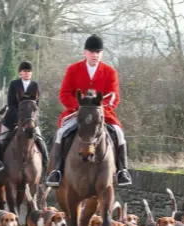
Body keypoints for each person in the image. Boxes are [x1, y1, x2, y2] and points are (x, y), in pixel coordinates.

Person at [45, 34, 131, 187]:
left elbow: (114, 96)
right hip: (77, 113)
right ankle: (56, 171)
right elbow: (64, 93)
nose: (94, 55)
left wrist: (100, 110)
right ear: (85, 52)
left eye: (98, 52)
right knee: (60, 133)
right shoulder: (73, 70)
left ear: (101, 53)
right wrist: (78, 107)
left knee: (119, 133)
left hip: (102, 115)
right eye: (91, 52)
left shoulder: (110, 72)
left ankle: (122, 171)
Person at [0, 60, 48, 173]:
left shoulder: (35, 85)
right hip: (12, 119)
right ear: (20, 73)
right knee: (0, 140)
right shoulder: (14, 84)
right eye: (25, 71)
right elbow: (10, 104)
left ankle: (46, 167)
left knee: (41, 141)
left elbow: (36, 105)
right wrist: (20, 118)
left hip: (30, 120)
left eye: (29, 71)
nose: (27, 73)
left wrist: (29, 119)